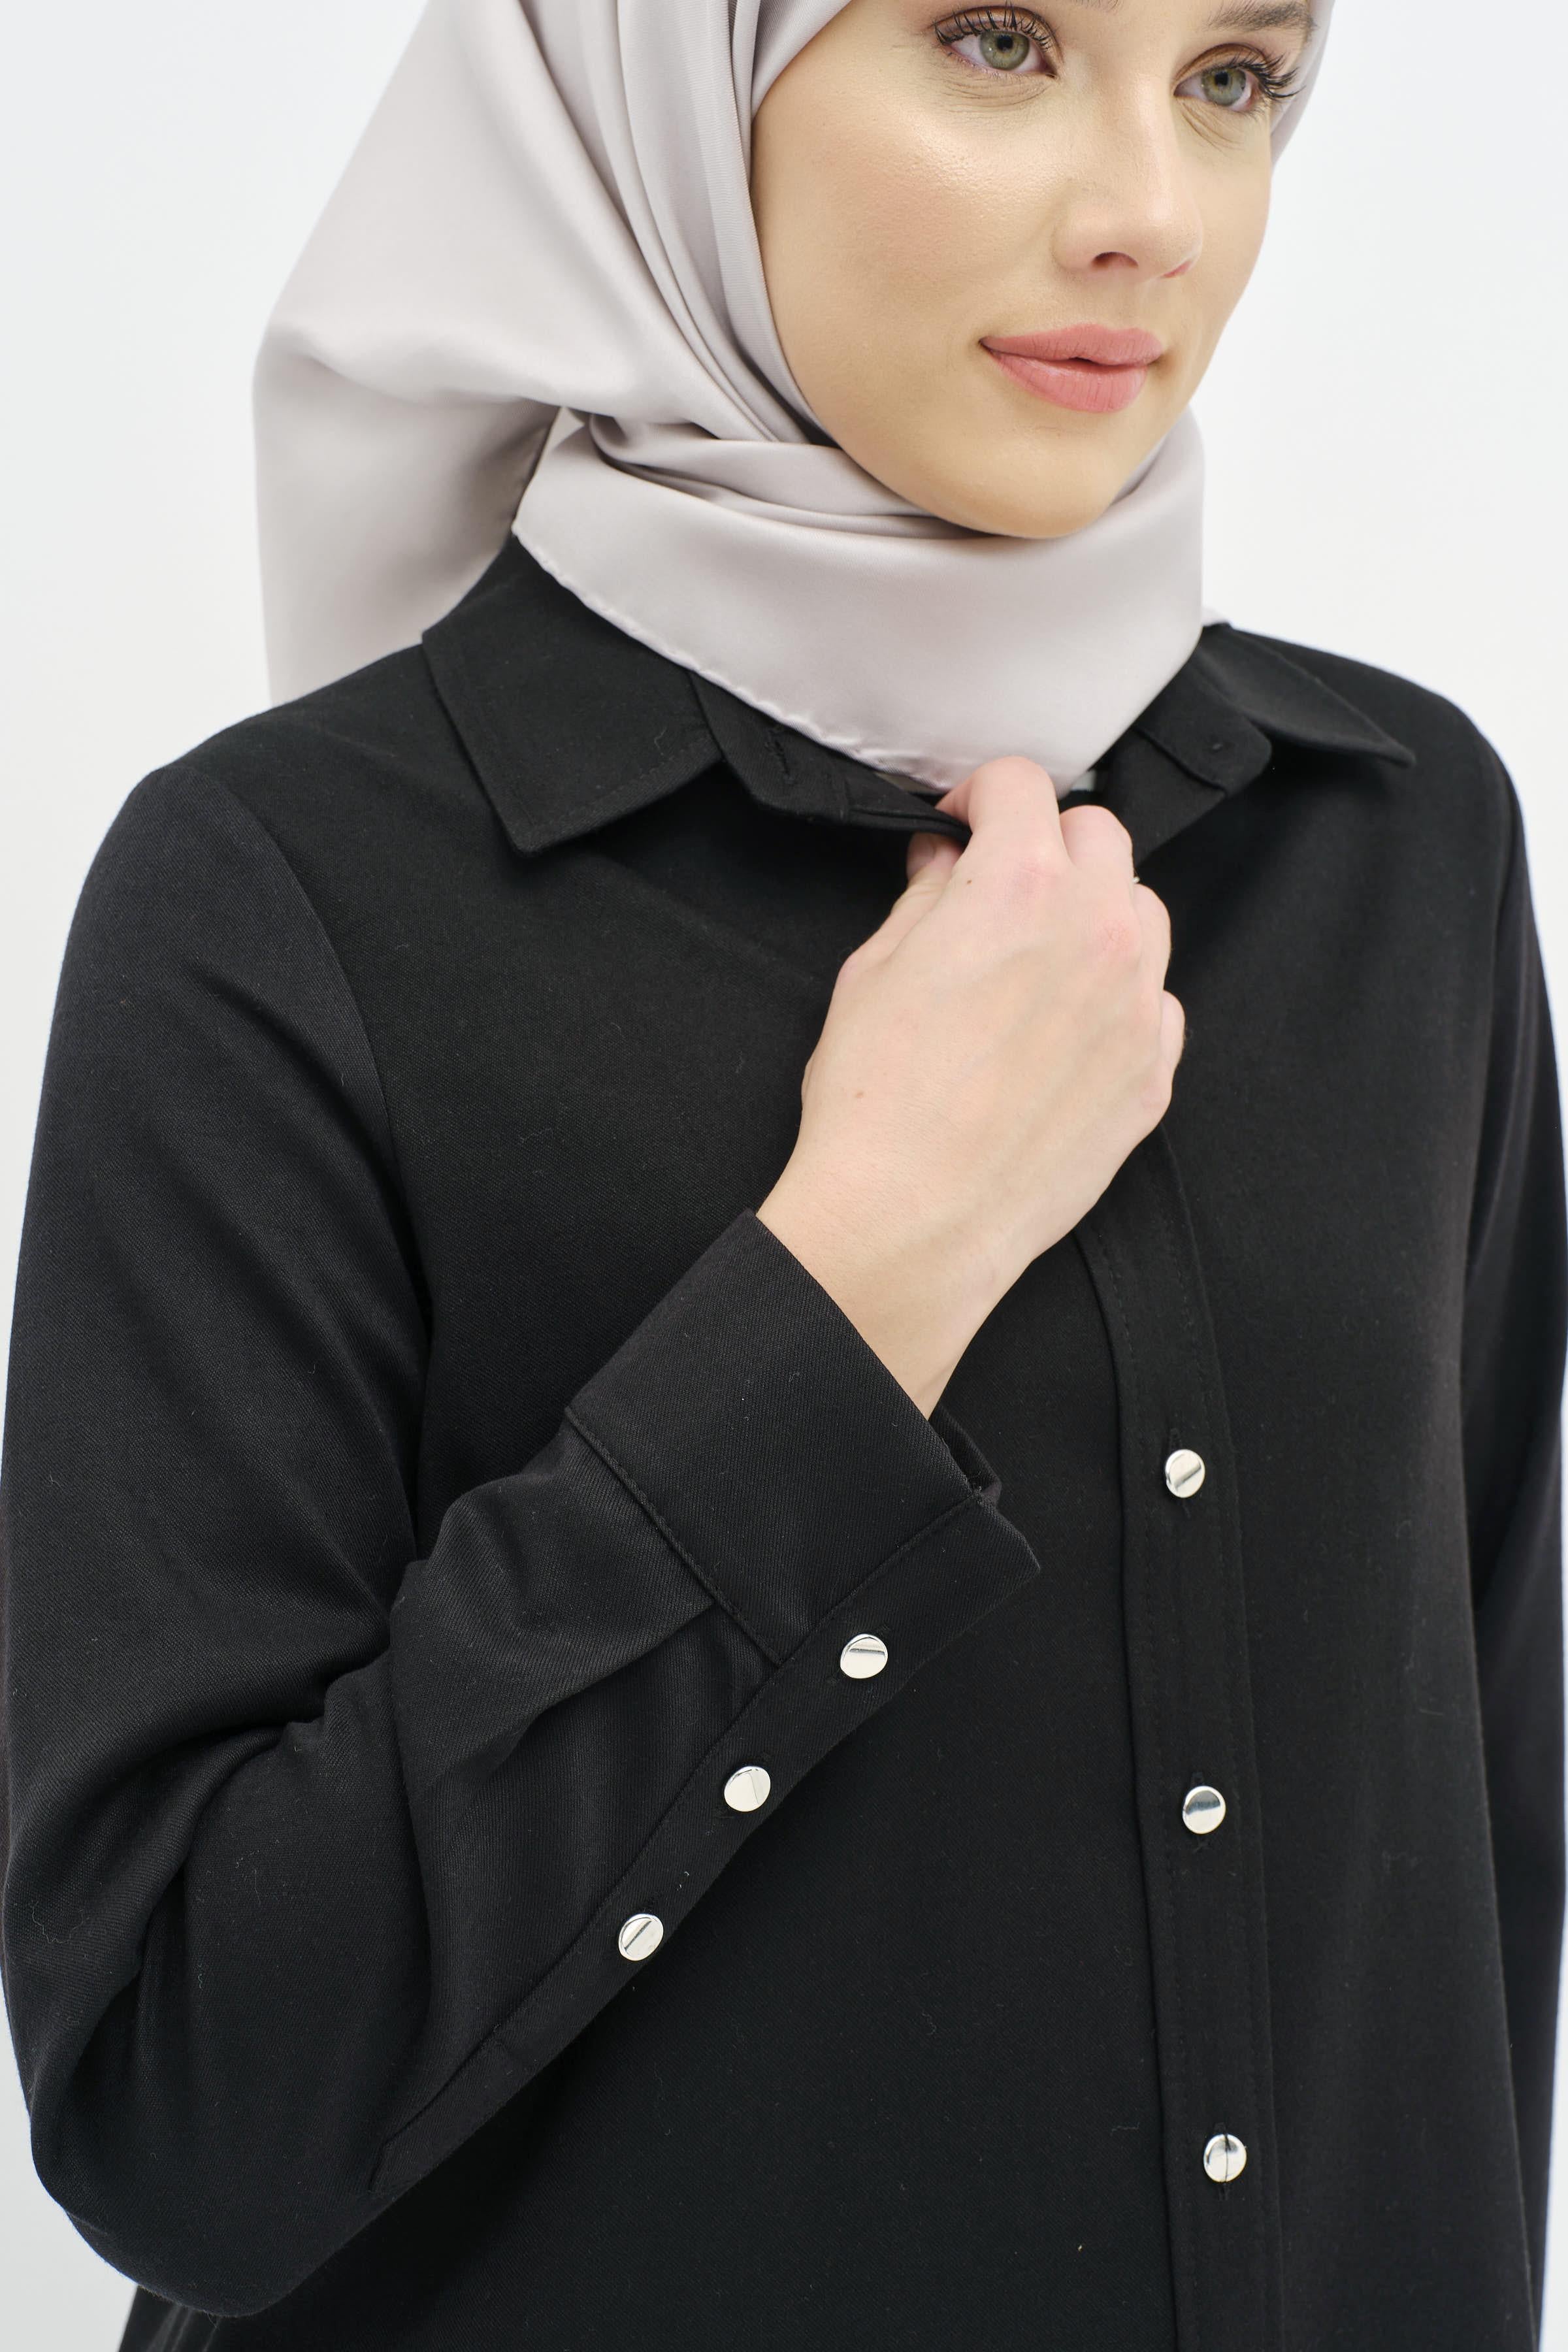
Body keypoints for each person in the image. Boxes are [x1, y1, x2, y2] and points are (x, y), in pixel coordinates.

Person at [2, 1, 1561, 2346]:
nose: (1152, 211)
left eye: (1235, 78)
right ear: (669, 81)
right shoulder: (279, 895)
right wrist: (850, 1284)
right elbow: (178, 2113)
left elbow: (1473, 1905)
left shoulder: (1400, 844)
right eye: (999, 38)